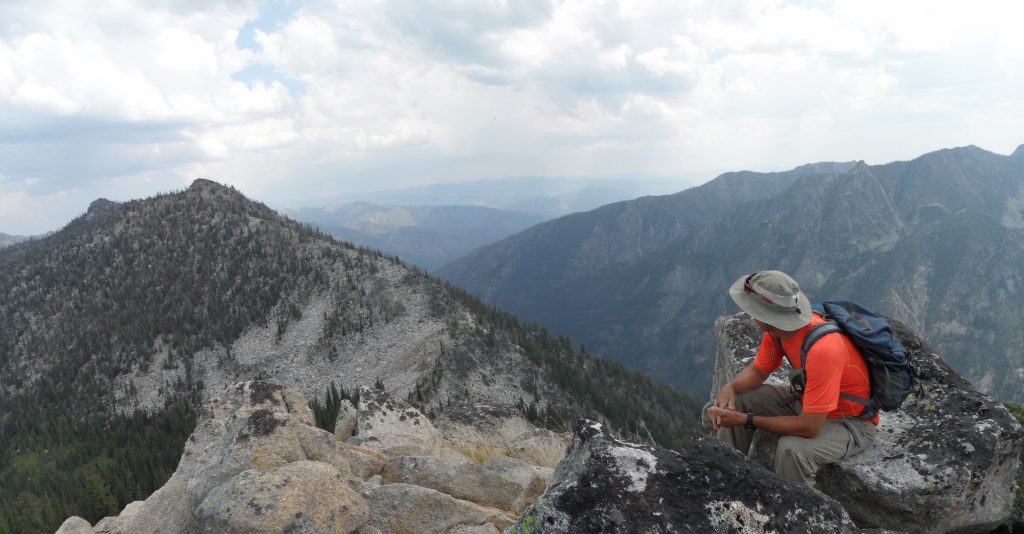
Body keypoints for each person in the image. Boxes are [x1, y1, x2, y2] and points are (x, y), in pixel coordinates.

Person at [707, 270, 877, 486]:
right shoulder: (777, 332)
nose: (750, 314)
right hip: (808, 402)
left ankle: (796, 513)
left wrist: (746, 420)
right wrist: (730, 388)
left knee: (791, 450)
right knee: (739, 400)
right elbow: (759, 371)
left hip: (849, 421)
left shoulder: (824, 350)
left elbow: (808, 427)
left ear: (768, 316)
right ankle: (719, 480)